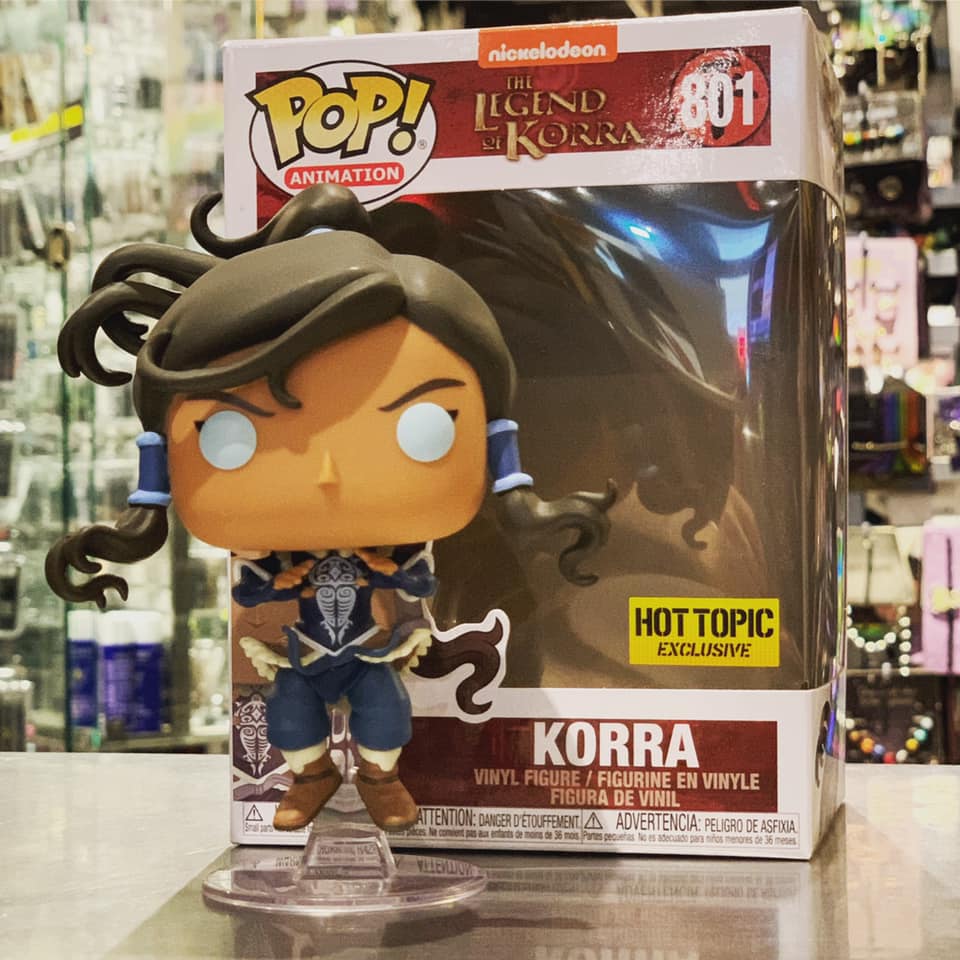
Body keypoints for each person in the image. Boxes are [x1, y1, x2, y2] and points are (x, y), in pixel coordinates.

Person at [46, 184, 614, 832]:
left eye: (421, 427)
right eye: (232, 436)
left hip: (368, 651)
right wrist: (282, 581)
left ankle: (380, 777)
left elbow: (416, 583)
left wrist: (394, 576)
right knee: (290, 714)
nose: (326, 473)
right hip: (303, 651)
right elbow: (257, 591)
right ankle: (311, 774)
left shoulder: (404, 553)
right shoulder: (278, 556)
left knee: (384, 711)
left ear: (493, 438)